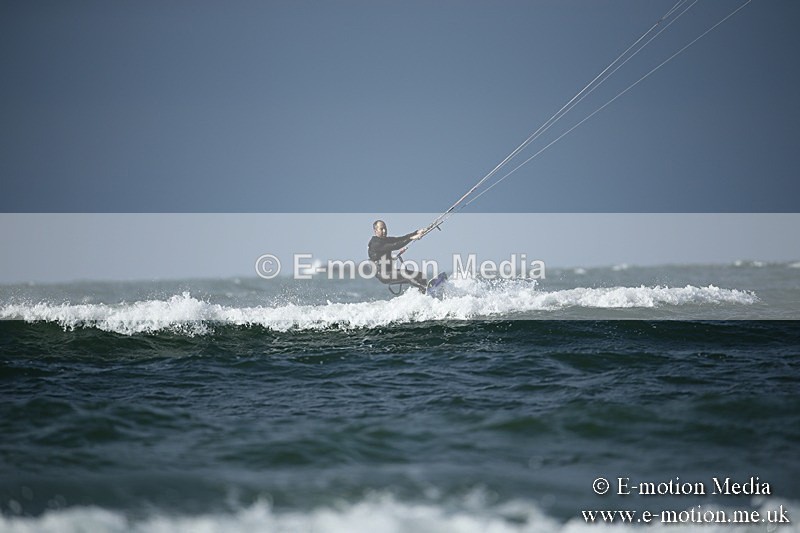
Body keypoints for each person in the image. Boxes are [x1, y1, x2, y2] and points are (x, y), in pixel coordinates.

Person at [368, 220, 428, 291]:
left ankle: (424, 294)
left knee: (420, 276)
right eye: (381, 229)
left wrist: (416, 232)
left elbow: (400, 239)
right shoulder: (375, 244)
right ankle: (424, 289)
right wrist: (411, 238)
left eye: (385, 228)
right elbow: (395, 246)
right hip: (383, 275)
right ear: (375, 230)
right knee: (405, 274)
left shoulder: (386, 240)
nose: (384, 231)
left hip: (390, 272)